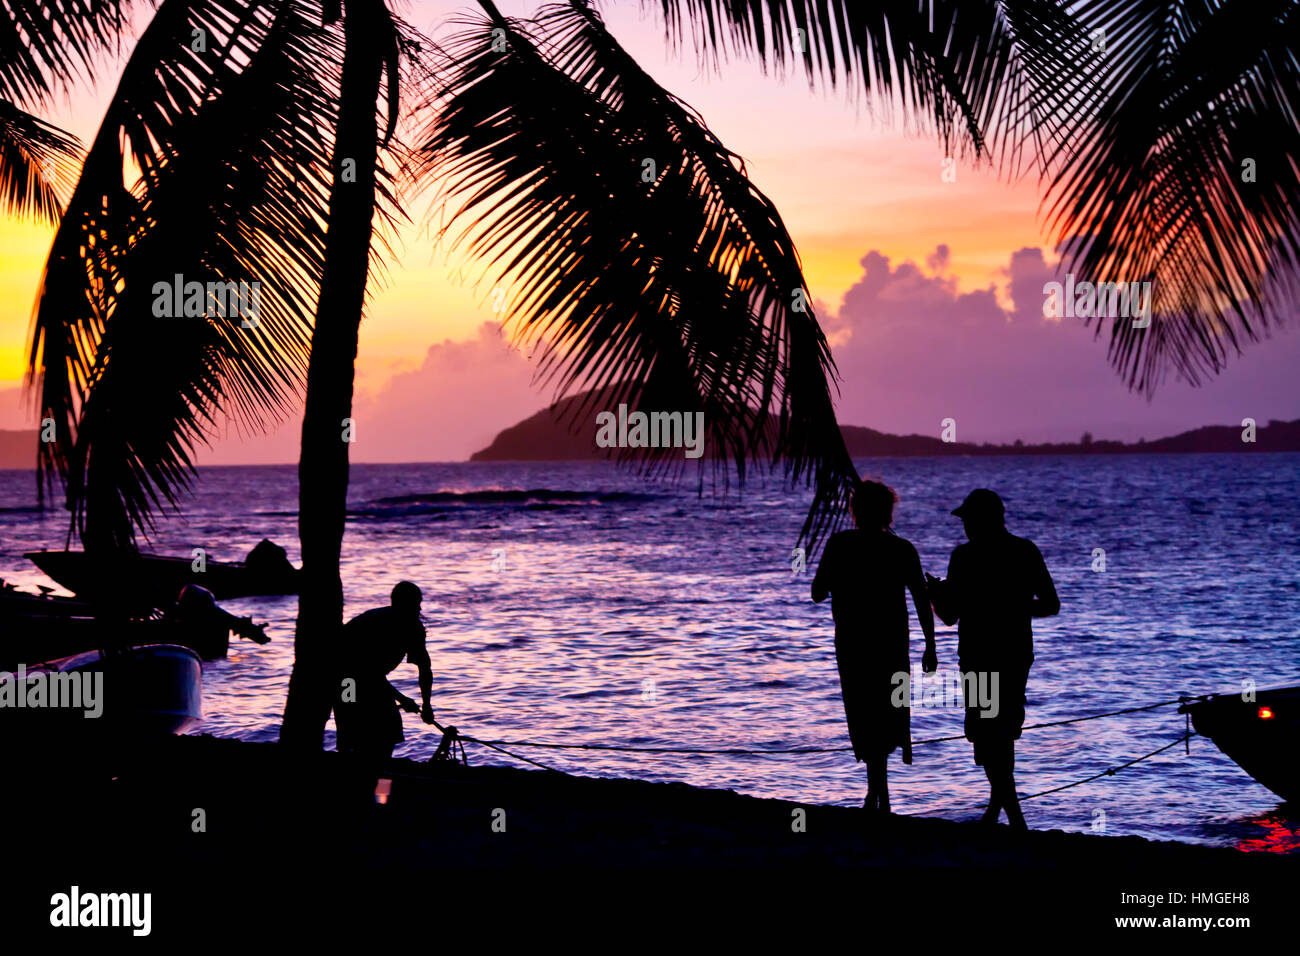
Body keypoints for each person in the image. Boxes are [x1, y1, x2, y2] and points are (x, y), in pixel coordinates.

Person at [927, 489, 1059, 830]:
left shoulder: (965, 557)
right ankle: (1000, 813)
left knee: (988, 733)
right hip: (1013, 654)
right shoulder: (1024, 551)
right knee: (999, 732)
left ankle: (1012, 817)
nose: (965, 527)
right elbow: (1049, 604)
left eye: (968, 520)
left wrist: (934, 595)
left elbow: (949, 615)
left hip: (982, 655)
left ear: (983, 519)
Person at [812, 480, 937, 813]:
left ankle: (876, 793)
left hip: (854, 641)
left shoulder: (840, 544)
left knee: (863, 709)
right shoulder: (902, 549)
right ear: (888, 512)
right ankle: (879, 794)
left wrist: (841, 580)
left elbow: (817, 592)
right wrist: (930, 645)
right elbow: (922, 600)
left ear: (855, 511)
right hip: (890, 642)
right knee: (886, 712)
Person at [333, 581, 439, 761]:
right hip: (345, 681)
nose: (419, 607)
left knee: (388, 732)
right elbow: (366, 671)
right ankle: (354, 777)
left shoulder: (415, 628)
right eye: (415, 603)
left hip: (370, 679)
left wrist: (427, 705)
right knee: (353, 725)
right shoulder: (377, 622)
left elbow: (424, 668)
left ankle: (379, 780)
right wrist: (402, 699)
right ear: (399, 603)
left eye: (419, 602)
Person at [169, 583, 270, 660]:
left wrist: (257, 633)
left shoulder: (218, 616)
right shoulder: (217, 615)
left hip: (208, 660)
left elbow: (243, 627)